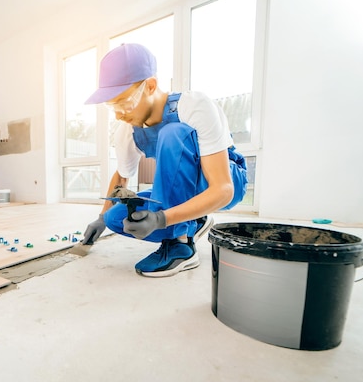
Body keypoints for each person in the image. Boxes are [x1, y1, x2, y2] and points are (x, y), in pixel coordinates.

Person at [82, 43, 247, 277]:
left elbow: (223, 189)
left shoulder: (194, 105)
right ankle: (195, 220)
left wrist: (160, 219)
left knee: (171, 134)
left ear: (150, 86)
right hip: (184, 190)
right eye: (112, 106)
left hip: (227, 178)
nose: (119, 114)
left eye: (123, 103)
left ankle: (181, 245)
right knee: (117, 218)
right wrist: (101, 218)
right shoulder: (126, 131)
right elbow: (122, 176)